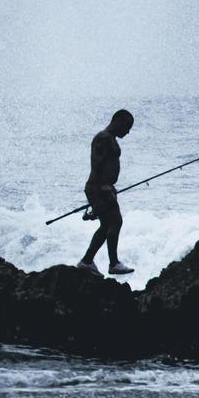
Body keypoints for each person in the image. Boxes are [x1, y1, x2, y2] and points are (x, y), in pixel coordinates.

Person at [77, 109, 135, 276]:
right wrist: (103, 187)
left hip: (103, 187)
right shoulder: (103, 138)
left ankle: (87, 261)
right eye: (127, 127)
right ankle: (113, 263)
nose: (128, 132)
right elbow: (97, 164)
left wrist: (109, 187)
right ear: (119, 121)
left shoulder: (109, 138)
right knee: (116, 221)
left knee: (106, 225)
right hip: (99, 187)